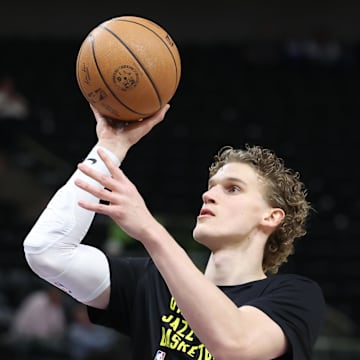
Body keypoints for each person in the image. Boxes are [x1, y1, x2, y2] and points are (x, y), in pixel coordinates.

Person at [23, 104, 326, 360]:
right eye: (210, 188)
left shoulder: (296, 296)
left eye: (232, 189)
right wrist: (110, 148)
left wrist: (152, 232)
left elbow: (235, 344)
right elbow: (46, 251)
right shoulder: (152, 282)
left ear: (271, 217)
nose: (209, 196)